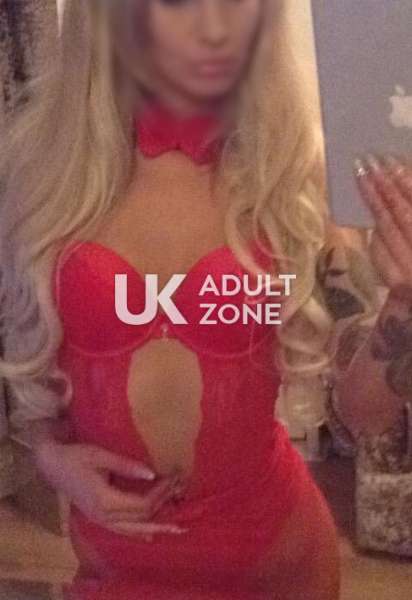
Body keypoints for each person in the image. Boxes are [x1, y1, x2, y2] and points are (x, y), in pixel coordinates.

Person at [4, 0, 408, 598]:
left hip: (277, 562)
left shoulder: (295, 176)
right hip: (116, 565)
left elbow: (365, 415)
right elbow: (29, 352)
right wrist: (48, 456)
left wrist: (404, 306)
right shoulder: (41, 170)